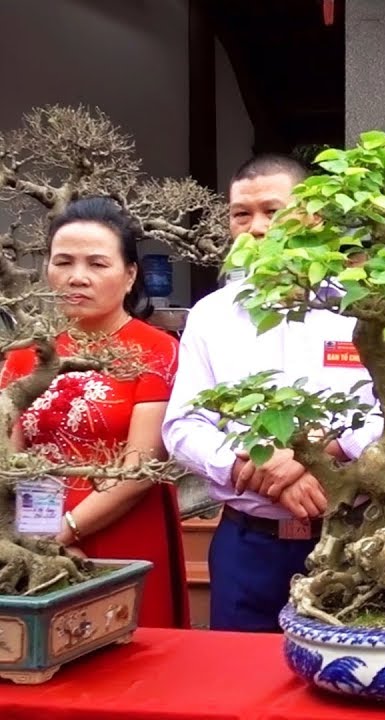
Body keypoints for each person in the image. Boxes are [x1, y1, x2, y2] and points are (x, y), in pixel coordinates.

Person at [162, 154, 383, 632]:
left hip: (355, 535)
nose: (256, 228)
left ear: (314, 217)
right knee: (239, 689)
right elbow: (182, 425)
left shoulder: (365, 306)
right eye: (242, 214)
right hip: (249, 544)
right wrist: (253, 461)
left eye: (272, 211)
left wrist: (315, 451)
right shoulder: (210, 315)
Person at [1, 196, 189, 628]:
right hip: (30, 533)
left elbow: (143, 464)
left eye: (97, 264)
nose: (77, 277)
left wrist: (65, 531)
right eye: (63, 261)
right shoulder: (27, 354)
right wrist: (32, 542)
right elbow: (8, 461)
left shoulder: (157, 350)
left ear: (129, 276)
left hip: (124, 527)